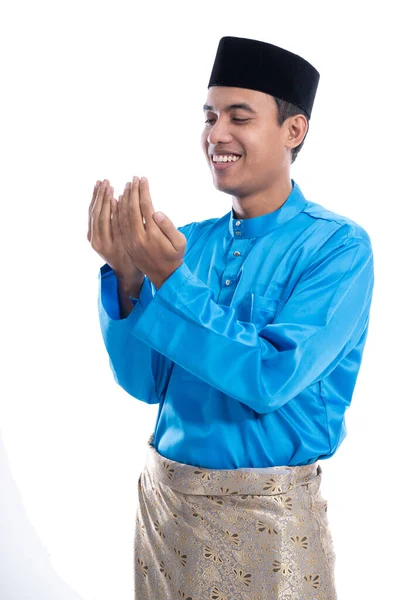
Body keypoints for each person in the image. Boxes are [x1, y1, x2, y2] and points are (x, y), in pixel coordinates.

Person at [89, 36, 374, 599]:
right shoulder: (191, 243)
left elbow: (270, 378)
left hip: (270, 522)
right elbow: (147, 383)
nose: (216, 134)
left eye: (239, 117)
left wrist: (171, 282)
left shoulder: (337, 249)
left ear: (294, 131)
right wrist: (127, 278)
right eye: (210, 116)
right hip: (166, 513)